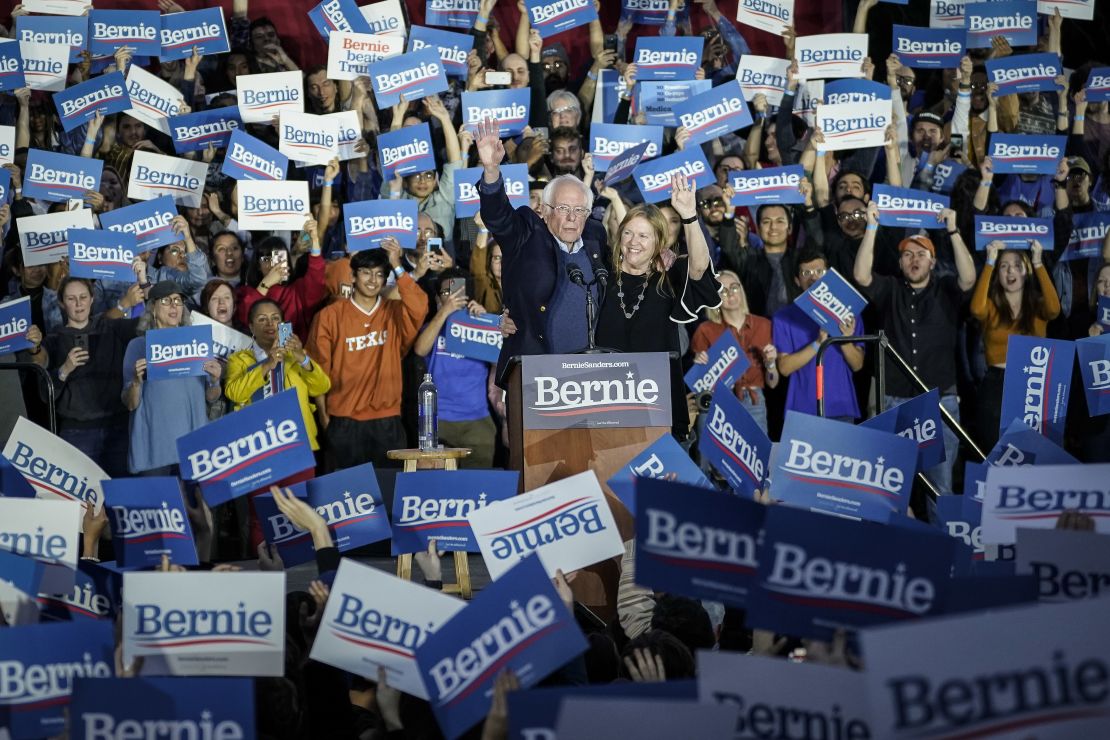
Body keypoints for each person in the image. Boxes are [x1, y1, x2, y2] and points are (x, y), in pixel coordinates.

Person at [474, 117, 609, 385]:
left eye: (579, 210)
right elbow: (498, 217)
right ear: (545, 212)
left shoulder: (596, 236)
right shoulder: (527, 233)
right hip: (535, 373)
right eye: (562, 209)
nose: (572, 218)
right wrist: (491, 170)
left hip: (591, 376)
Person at [853, 204, 977, 493]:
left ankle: (941, 538)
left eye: (922, 254)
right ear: (900, 263)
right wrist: (871, 226)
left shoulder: (947, 289)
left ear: (933, 262)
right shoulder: (890, 289)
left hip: (939, 399)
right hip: (894, 399)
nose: (914, 259)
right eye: (907, 254)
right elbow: (861, 275)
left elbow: (969, 278)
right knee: (890, 487)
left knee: (941, 486)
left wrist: (953, 230)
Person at [594, 183, 719, 439]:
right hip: (605, 399)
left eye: (643, 236)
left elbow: (698, 268)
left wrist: (689, 216)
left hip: (656, 402)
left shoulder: (669, 277)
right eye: (628, 233)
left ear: (658, 241)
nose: (633, 242)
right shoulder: (602, 275)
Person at [306, 241, 429, 471]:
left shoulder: (393, 312)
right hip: (343, 421)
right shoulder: (329, 316)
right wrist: (324, 417)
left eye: (380, 274)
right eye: (366, 273)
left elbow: (420, 305)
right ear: (352, 276)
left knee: (388, 496)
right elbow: (317, 369)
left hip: (387, 421)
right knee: (345, 499)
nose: (373, 280)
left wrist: (397, 265)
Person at [43, 277, 143, 477]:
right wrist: (64, 369)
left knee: (121, 499)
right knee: (81, 505)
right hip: (76, 434)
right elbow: (45, 395)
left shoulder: (110, 326)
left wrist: (143, 282)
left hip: (118, 429)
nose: (78, 304)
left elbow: (150, 324)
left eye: (83, 297)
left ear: (92, 299)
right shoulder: (53, 340)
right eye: (71, 299)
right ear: (62, 303)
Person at [122, 281, 224, 475]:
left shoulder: (197, 344)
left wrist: (214, 380)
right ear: (152, 307)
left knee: (198, 505)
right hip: (154, 451)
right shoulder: (137, 346)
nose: (174, 306)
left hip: (193, 449)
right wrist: (136, 381)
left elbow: (211, 397)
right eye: (166, 301)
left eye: (178, 301)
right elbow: (130, 404)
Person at [970, 240, 1061, 450]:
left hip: (1033, 384)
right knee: (995, 452)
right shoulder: (991, 306)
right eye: (1004, 266)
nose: (1010, 271)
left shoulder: (1038, 307)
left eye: (1017, 265)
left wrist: (1037, 262)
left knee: (1034, 452)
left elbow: (1054, 309)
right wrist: (990, 261)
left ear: (1026, 271)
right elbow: (976, 309)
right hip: (995, 385)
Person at [412, 272, 497, 467]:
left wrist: (485, 322)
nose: (453, 296)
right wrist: (444, 312)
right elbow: (420, 349)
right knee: (439, 489)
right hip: (437, 420)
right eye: (447, 292)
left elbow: (499, 362)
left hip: (477, 420)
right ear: (437, 297)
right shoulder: (432, 328)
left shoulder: (480, 325)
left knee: (479, 487)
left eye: (458, 291)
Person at [772, 248, 866, 422]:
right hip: (802, 410)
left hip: (841, 407)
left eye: (819, 272)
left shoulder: (849, 313)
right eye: (806, 272)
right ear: (797, 280)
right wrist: (817, 343)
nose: (813, 277)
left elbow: (857, 365)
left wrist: (843, 339)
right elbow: (784, 368)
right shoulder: (783, 317)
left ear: (830, 276)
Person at [690, 271, 779, 435]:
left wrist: (771, 363)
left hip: (754, 402)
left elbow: (772, 383)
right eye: (722, 291)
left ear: (741, 290)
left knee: (756, 458)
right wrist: (699, 364)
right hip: (717, 401)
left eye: (734, 287)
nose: (730, 293)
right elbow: (698, 385)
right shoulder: (705, 330)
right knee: (710, 458)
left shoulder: (764, 325)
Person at [236, 223, 326, 341]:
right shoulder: (246, 292)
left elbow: (316, 279)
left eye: (279, 258)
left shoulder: (297, 290)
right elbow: (246, 317)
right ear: (258, 265)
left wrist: (314, 240)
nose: (274, 264)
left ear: (287, 262)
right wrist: (266, 283)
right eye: (267, 259)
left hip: (293, 355)